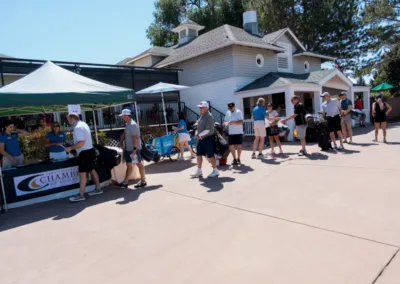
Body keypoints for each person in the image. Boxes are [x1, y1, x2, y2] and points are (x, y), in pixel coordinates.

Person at [65, 113, 102, 202]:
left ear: (72, 119)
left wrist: (71, 148)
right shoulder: (83, 124)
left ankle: (81, 195)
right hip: (90, 151)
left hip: (85, 153)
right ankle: (98, 189)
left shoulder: (77, 127)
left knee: (82, 174)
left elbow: (81, 142)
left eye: (68, 119)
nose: (67, 121)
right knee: (92, 170)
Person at [118, 109, 147, 188]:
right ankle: (126, 182)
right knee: (130, 165)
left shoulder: (133, 125)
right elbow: (125, 133)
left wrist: (134, 149)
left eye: (123, 116)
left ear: (127, 116)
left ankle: (142, 181)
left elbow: (135, 138)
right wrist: (121, 141)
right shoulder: (128, 124)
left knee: (138, 164)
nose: (122, 117)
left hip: (133, 150)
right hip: (129, 149)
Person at [191, 101, 219, 178]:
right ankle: (199, 171)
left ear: (206, 108)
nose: (200, 108)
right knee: (198, 154)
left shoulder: (209, 116)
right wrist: (196, 132)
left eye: (201, 107)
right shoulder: (202, 115)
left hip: (208, 138)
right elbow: (198, 125)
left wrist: (199, 134)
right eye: (199, 107)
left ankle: (215, 170)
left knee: (210, 155)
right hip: (201, 139)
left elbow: (208, 130)